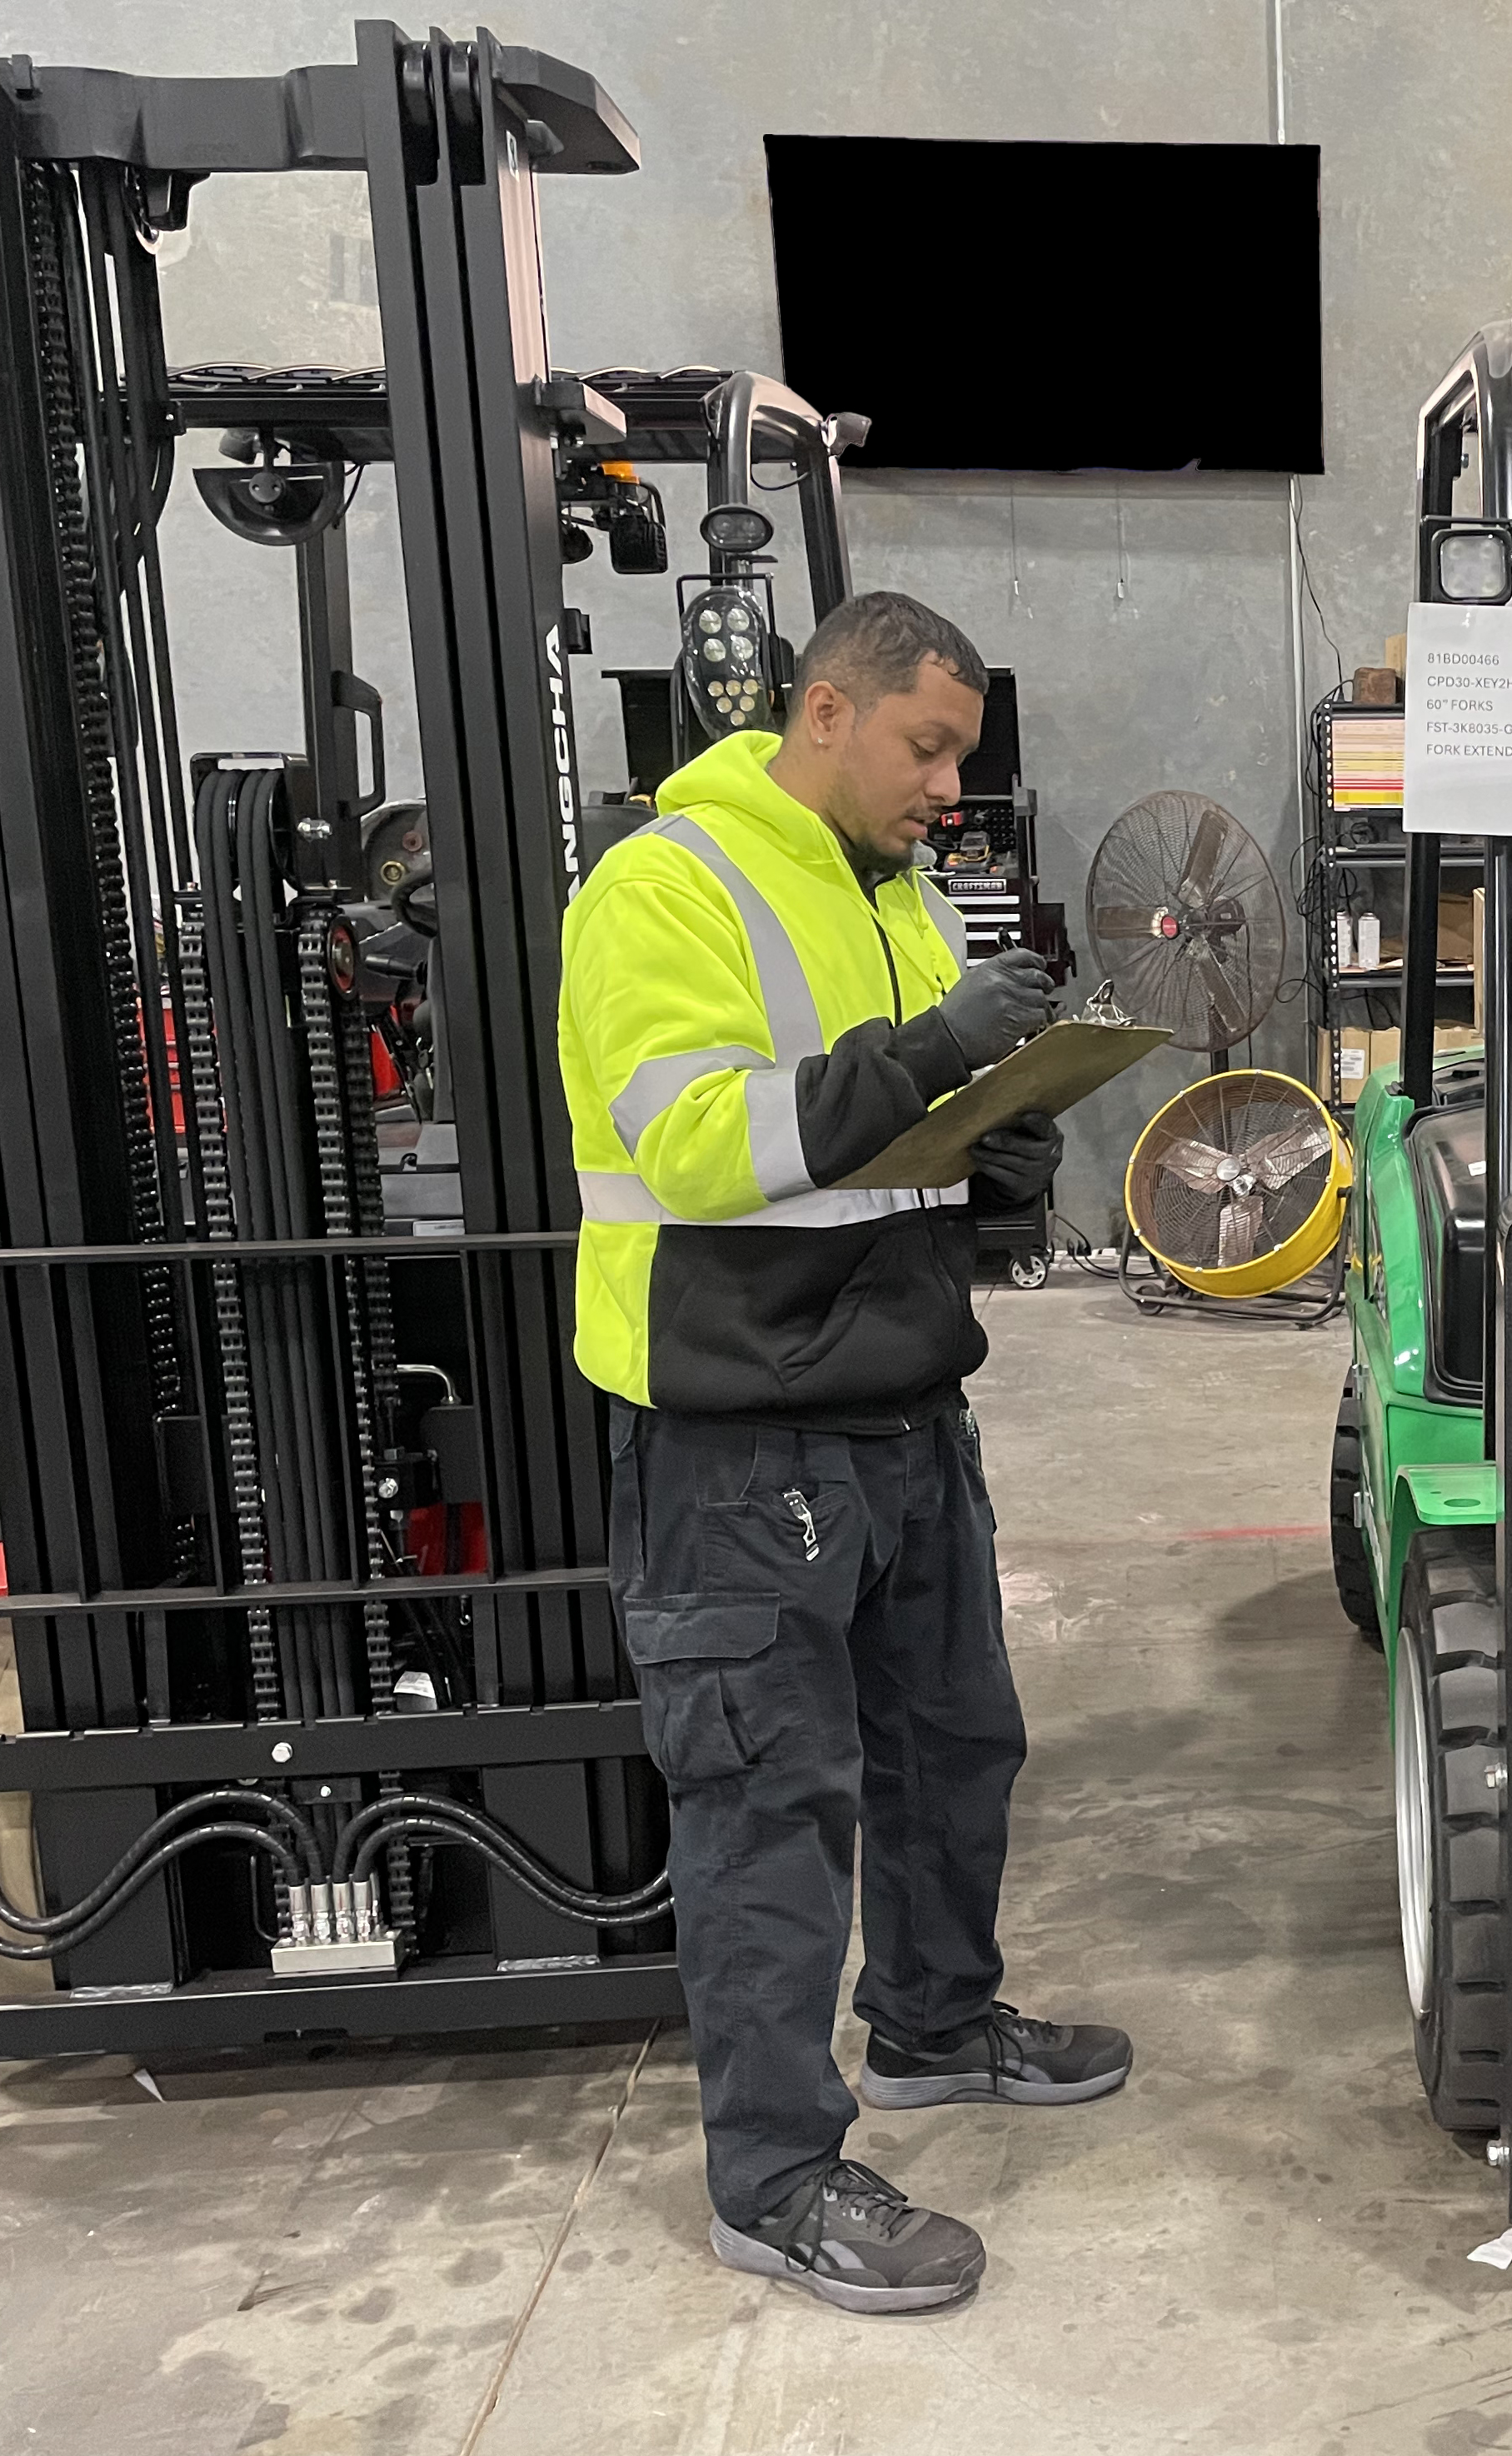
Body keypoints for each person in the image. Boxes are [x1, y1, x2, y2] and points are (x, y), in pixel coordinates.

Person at [558, 589, 1127, 2316]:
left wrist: (1003, 1154)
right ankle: (777, 2174)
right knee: (771, 1806)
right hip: (742, 1435)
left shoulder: (900, 897)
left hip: (900, 1404)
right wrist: (931, 1055)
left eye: (961, 753)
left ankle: (940, 2029)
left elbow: (908, 1146)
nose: (948, 785)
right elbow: (707, 1139)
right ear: (825, 710)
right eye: (926, 746)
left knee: (955, 1745)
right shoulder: (663, 885)